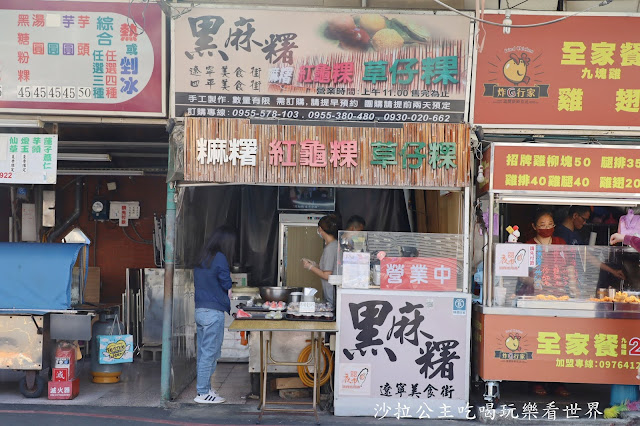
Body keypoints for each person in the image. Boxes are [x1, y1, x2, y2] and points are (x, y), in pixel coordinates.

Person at [523, 209, 571, 397]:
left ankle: (557, 381)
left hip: (559, 298)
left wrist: (573, 288)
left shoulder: (561, 244)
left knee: (557, 340)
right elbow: (521, 274)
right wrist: (538, 284)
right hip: (536, 299)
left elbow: (570, 268)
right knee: (537, 340)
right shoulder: (528, 246)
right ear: (534, 227)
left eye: (550, 224)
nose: (546, 228)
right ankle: (536, 380)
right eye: (542, 225)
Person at [193, 225, 236, 404]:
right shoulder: (219, 258)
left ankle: (206, 389)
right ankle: (202, 393)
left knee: (205, 353)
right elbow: (225, 280)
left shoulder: (201, 257)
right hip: (213, 312)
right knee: (210, 353)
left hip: (200, 310)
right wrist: (229, 289)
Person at [302, 214, 340, 307]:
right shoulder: (333, 245)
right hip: (332, 293)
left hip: (332, 295)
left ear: (320, 229)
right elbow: (328, 267)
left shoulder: (330, 248)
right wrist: (315, 264)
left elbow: (327, 275)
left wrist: (309, 267)